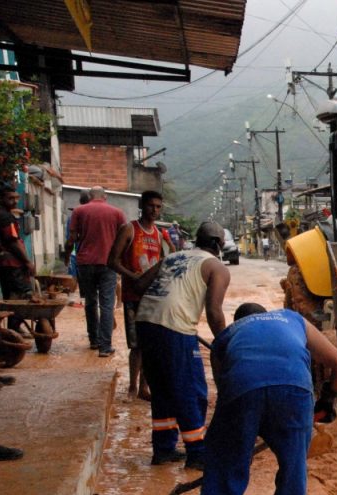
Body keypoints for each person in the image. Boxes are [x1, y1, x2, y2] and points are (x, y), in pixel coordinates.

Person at [193, 303, 337, 495]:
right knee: (293, 469)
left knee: (225, 469)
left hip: (242, 390)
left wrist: (248, 425)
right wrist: (329, 400)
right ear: (265, 313)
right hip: (294, 390)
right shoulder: (292, 319)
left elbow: (226, 388)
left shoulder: (226, 336)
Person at [136, 221, 230, 469]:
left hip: (145, 321)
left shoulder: (173, 256)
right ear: (219, 244)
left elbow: (138, 285)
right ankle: (197, 453)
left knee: (163, 389)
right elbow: (214, 312)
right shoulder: (216, 267)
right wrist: (224, 345)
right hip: (174, 326)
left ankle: (164, 449)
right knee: (192, 390)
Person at [108, 190, 173, 400]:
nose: (154, 210)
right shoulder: (129, 229)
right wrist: (132, 276)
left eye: (158, 207)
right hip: (132, 295)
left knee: (152, 345)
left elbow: (164, 261)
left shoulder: (158, 234)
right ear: (142, 206)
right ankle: (132, 387)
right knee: (136, 345)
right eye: (151, 206)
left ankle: (145, 387)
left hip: (152, 297)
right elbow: (112, 261)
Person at [66, 186, 126, 357]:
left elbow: (72, 238)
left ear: (90, 196)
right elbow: (125, 238)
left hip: (85, 263)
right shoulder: (117, 213)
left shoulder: (79, 211)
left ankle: (93, 340)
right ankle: (105, 347)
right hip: (109, 263)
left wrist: (66, 255)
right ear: (105, 196)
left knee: (90, 302)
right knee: (107, 305)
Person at [0, 183, 34, 318]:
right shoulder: (5, 217)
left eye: (16, 198)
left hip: (4, 264)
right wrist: (27, 261)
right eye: (11, 198)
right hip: (11, 263)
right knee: (21, 295)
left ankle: (14, 328)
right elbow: (13, 241)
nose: (15, 202)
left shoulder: (5, 214)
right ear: (1, 199)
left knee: (11, 296)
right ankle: (15, 328)